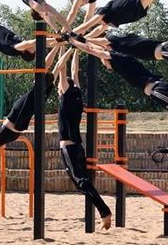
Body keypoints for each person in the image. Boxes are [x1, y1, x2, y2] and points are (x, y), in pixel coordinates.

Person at [66, 37, 168, 148]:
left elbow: (93, 49)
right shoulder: (120, 59)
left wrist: (72, 40)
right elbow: (94, 47)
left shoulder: (118, 57)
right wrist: (77, 40)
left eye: (104, 62)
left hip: (157, 89)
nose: (104, 66)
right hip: (156, 91)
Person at [52, 48, 112, 230]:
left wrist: (62, 46)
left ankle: (105, 212)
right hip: (78, 146)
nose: (57, 90)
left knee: (81, 182)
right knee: (84, 181)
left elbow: (62, 69)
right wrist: (74, 47)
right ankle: (104, 212)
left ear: (63, 87)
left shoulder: (66, 94)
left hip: (69, 147)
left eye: (59, 88)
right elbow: (73, 71)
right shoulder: (77, 91)